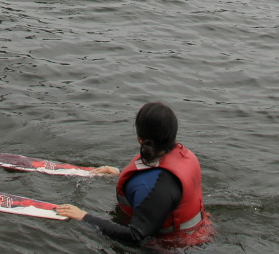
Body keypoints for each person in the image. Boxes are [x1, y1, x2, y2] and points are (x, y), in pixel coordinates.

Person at [56, 102, 207, 246]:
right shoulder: (185, 156)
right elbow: (160, 181)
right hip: (200, 235)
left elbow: (135, 236)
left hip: (172, 247)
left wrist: (84, 217)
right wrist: (119, 173)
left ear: (140, 139)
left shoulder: (158, 186)